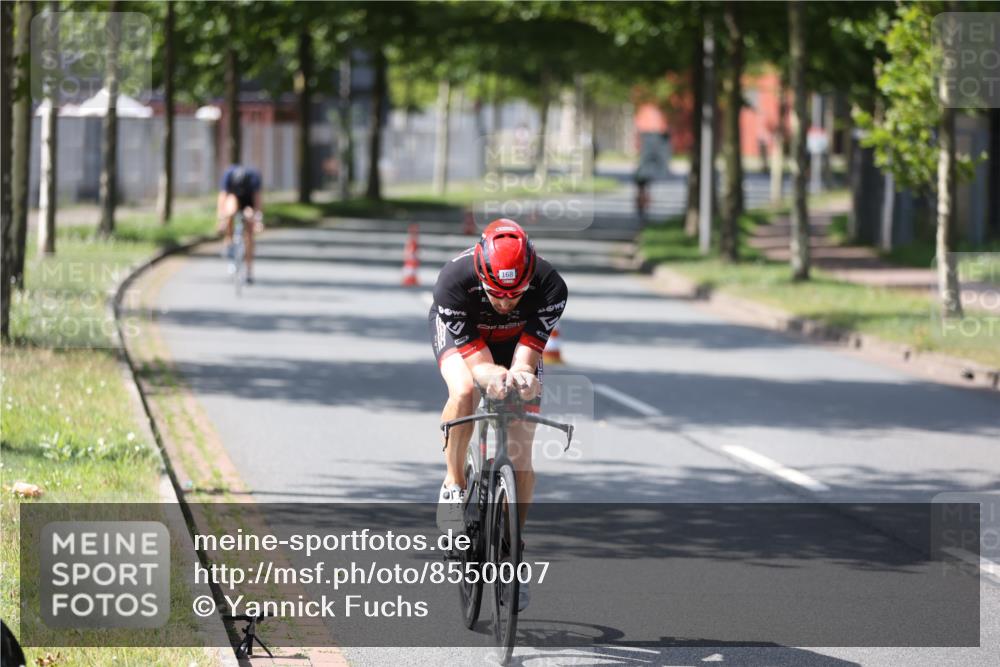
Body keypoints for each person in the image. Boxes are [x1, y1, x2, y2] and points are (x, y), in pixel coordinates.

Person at [429, 218, 568, 611]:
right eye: (496, 293)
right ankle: (454, 485)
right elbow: (480, 365)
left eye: (515, 295)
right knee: (466, 390)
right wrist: (495, 378)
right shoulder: (453, 281)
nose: (506, 302)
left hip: (516, 345)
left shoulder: (551, 285)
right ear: (481, 274)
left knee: (521, 454)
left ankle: (513, 551)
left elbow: (527, 359)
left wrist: (524, 380)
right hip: (466, 341)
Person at [216, 164, 264, 284]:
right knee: (230, 211)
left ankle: (249, 271)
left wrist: (257, 220)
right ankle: (229, 241)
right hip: (234, 198)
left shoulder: (253, 178)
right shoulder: (228, 176)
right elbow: (223, 197)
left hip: (248, 202)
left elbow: (257, 200)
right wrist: (221, 219)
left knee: (249, 230)